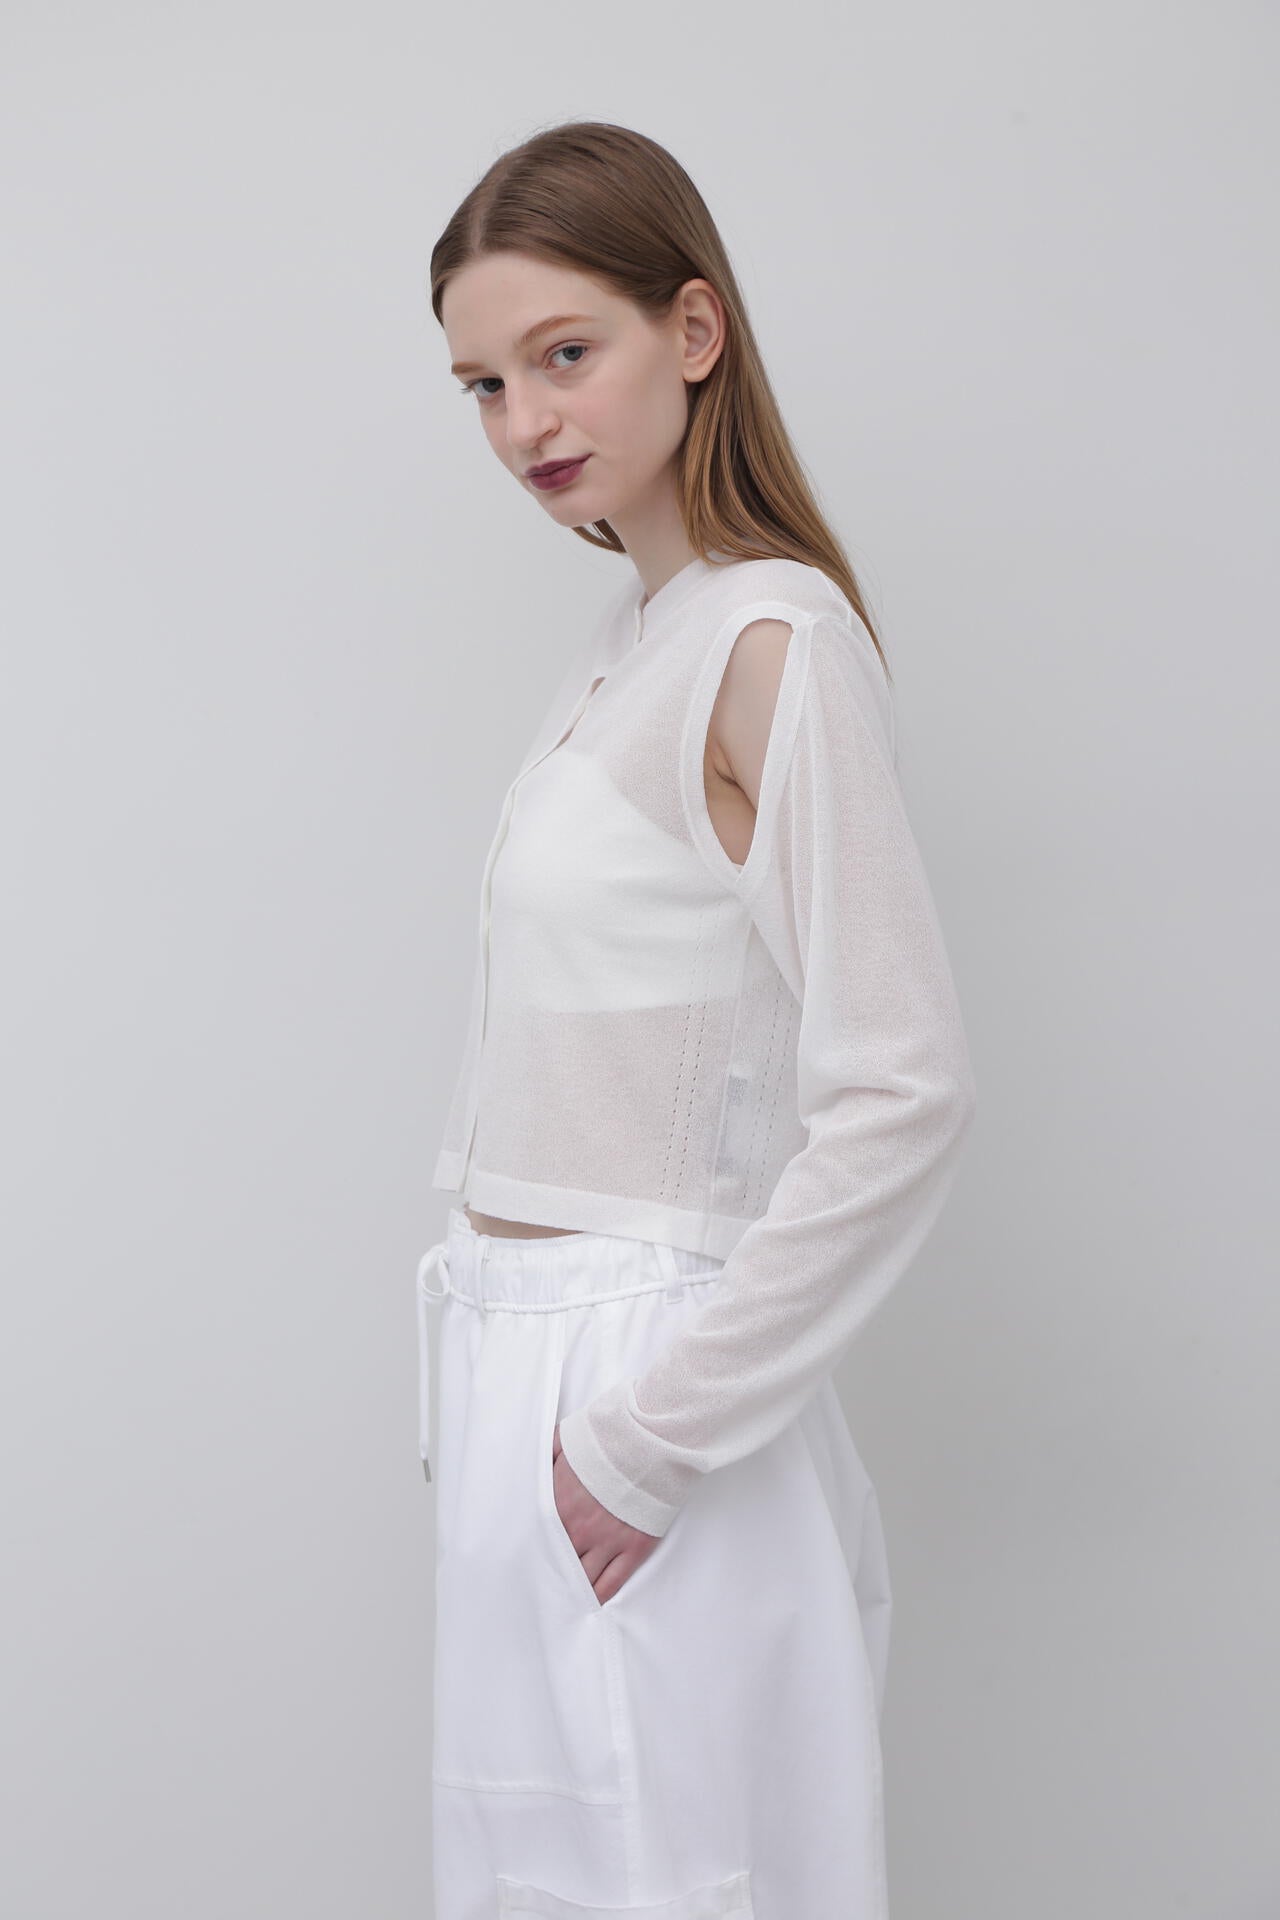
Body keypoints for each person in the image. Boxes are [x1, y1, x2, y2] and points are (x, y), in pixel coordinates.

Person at [415, 120, 977, 1920]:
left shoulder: (768, 644)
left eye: (564, 353)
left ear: (695, 330)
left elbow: (904, 1086)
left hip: (645, 1384)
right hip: (527, 1374)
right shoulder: (629, 639)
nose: (525, 421)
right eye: (484, 382)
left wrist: (643, 1440)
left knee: (680, 1880)